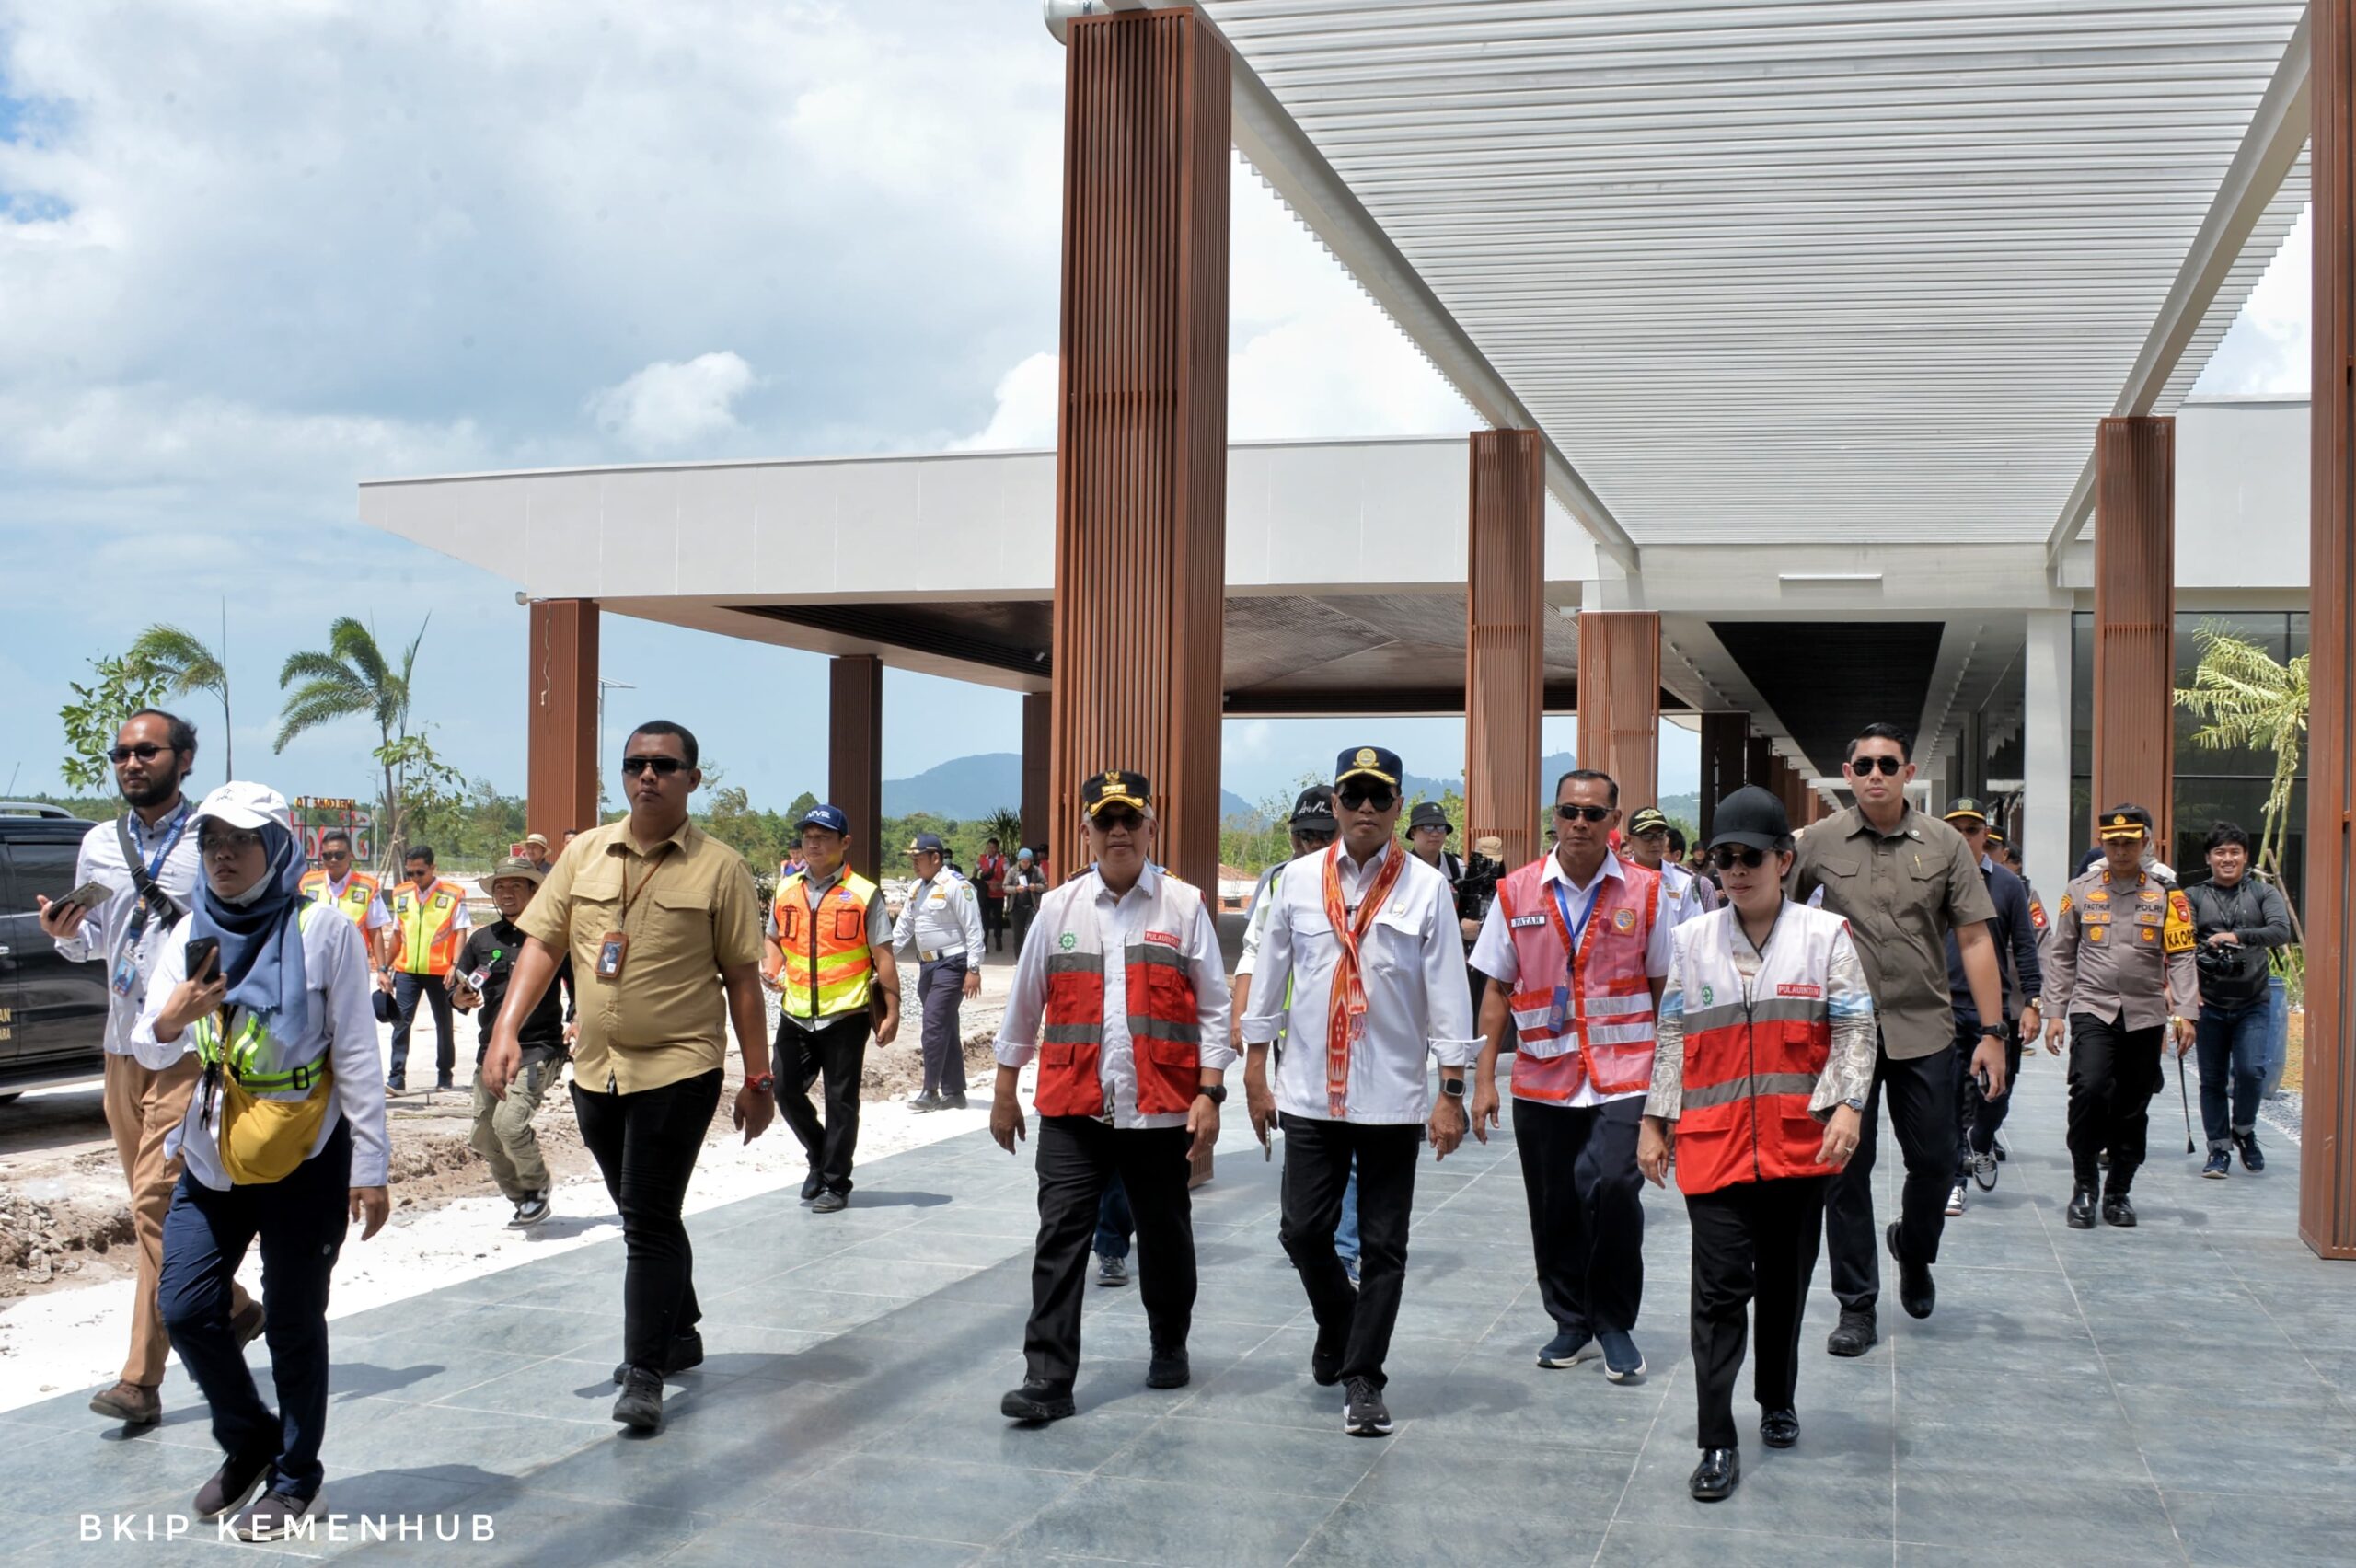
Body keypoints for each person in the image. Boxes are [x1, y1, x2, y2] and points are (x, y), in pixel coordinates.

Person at [480, 721, 774, 1432]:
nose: (648, 776)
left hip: (680, 1067)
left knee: (643, 1219)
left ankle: (645, 1372)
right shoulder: (584, 853)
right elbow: (542, 946)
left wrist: (759, 1078)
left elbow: (742, 979)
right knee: (649, 1213)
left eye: (665, 765)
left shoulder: (720, 868)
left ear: (692, 779)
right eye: (635, 763)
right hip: (596, 1071)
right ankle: (681, 1328)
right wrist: (505, 1029)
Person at [134, 782, 389, 1539]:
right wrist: (173, 1018)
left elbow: (356, 1054)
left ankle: (295, 1475)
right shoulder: (186, 933)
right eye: (211, 839)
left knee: (292, 1322)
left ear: (278, 849)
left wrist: (368, 1165)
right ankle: (250, 1437)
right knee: (182, 1307)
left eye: (241, 840)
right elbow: (153, 1043)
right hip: (213, 1148)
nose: (222, 854)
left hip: (305, 1154)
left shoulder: (324, 931)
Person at [1637, 786, 1877, 1504]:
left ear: (1784, 860)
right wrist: (1655, 1120)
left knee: (1782, 1287)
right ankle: (1716, 1439)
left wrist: (1849, 1106)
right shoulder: (1691, 941)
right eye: (1723, 858)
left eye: (1750, 857)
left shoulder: (1824, 936)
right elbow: (1674, 1034)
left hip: (1799, 1149)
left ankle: (1777, 1396)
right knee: (1716, 1297)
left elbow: (1856, 1027)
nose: (1736, 871)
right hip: (1713, 1149)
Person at [1242, 746, 1478, 1438]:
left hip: (1391, 1094)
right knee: (1303, 1230)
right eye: (1355, 796)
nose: (1367, 808)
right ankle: (1340, 1322)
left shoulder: (1425, 886)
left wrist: (1451, 1090)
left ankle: (1364, 1377)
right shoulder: (1297, 881)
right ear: (1337, 804)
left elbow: (1446, 991)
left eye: (1381, 797)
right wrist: (1255, 1071)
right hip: (1310, 1089)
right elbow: (1271, 971)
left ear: (1398, 807)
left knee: (1384, 1245)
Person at [37, 709, 260, 1430]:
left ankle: (142, 1378)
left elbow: (245, 930)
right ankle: (231, 1303)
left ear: (184, 759)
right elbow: (94, 943)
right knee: (153, 1208)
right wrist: (64, 936)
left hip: (190, 1046)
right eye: (122, 753)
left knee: (152, 1205)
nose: (132, 762)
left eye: (148, 751)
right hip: (121, 1044)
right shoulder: (101, 844)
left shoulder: (213, 840)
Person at [990, 768, 1230, 1423]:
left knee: (1165, 1234)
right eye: (1106, 821)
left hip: (1161, 1107)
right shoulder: (1056, 909)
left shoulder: (1183, 907)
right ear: (1086, 831)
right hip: (1073, 1105)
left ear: (1152, 827)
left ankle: (1169, 1344)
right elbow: (1023, 1006)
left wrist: (1211, 1091)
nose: (1118, 831)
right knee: (1061, 1240)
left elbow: (1215, 1006)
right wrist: (1005, 1089)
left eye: (1130, 820)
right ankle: (1047, 1380)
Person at [1788, 722, 2004, 1357]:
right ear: (1847, 773)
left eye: (1888, 764)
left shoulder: (1943, 844)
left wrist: (1992, 1032)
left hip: (1925, 1028)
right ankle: (1857, 1305)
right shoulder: (1819, 841)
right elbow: (1782, 918)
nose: (1876, 774)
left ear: (1908, 772)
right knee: (1843, 1170)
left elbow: (1973, 938)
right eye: (1864, 765)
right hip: (1841, 1032)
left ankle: (1914, 1248)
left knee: (1937, 1161)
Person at [1468, 767, 1672, 1383]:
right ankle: (1570, 1320)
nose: (1578, 823)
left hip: (1625, 1073)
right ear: (1552, 817)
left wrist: (1669, 1090)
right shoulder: (1516, 892)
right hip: (1543, 1077)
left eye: (1592, 813)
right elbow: (1497, 991)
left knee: (1612, 1187)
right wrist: (1483, 1080)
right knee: (1553, 1203)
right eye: (1567, 812)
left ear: (1614, 822)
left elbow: (1666, 992)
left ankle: (1613, 1323)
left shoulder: (1647, 893)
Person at [2040, 805, 2199, 1228]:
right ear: (2103, 845)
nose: (2122, 849)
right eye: (2114, 842)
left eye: (2130, 841)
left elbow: (2182, 955)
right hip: (2093, 1008)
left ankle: (2119, 1193)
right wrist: (2054, 1012)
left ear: (2145, 843)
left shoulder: (2166, 894)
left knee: (2132, 1107)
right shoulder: (2080, 890)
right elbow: (2061, 955)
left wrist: (2185, 1011)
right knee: (2089, 1091)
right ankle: (2085, 1185)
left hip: (2145, 1014)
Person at [1234, 786, 1359, 1284]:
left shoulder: (1372, 879)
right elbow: (1254, 952)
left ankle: (1346, 1247)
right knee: (1306, 1138)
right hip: (1297, 1036)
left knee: (1349, 1145)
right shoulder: (1280, 881)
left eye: (1320, 836)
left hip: (1357, 1033)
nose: (1310, 846)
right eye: (1301, 836)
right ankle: (1306, 1231)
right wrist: (1242, 1020)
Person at [762, 803, 900, 1213]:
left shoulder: (864, 894)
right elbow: (773, 939)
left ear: (845, 842)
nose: (813, 843)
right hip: (796, 1010)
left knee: (842, 1102)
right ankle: (819, 1155)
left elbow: (884, 955)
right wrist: (772, 968)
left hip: (847, 1013)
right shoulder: (786, 890)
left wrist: (892, 1009)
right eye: (808, 836)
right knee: (784, 1089)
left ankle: (835, 1183)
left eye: (823, 836)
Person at [1935, 799, 2043, 1216]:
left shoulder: (2009, 886)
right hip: (1943, 1005)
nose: (1964, 837)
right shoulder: (1931, 880)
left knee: (1996, 1096)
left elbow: (2026, 949)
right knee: (1949, 1100)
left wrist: (2032, 1003)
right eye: (1956, 829)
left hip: (1994, 1013)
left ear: (1986, 835)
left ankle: (1981, 1140)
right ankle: (1955, 1177)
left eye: (1972, 829)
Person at [454, 856, 571, 1228]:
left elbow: (581, 984)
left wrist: (579, 1019)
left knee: (509, 1125)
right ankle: (523, 1199)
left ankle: (537, 1188)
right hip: (491, 1051)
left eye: (515, 886)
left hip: (539, 1047)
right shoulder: (481, 940)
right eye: (500, 887)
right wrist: (459, 999)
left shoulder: (553, 935)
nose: (505, 893)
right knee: (483, 1136)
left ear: (534, 892)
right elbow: (459, 991)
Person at [2184, 821, 2292, 1176]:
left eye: (2234, 852)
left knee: (2251, 1070)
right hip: (2208, 1001)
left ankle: (2243, 1129)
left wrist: (2236, 936)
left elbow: (2280, 931)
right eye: (2220, 852)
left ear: (2245, 857)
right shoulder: (2194, 896)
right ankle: (2218, 1150)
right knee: (2212, 1079)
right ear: (2208, 858)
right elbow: (2181, 945)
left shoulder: (2264, 893)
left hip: (2253, 1001)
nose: (2227, 859)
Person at [892, 831, 984, 1111]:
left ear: (936, 857)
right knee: (945, 1026)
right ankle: (955, 1091)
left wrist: (974, 968)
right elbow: (904, 927)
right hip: (928, 966)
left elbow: (973, 927)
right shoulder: (917, 888)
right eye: (913, 859)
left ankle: (930, 1090)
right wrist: (882, 957)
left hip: (953, 964)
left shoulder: (957, 886)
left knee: (933, 1025)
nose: (915, 864)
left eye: (919, 858)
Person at [387, 844, 471, 1092]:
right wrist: (385, 967)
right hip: (407, 971)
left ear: (433, 868)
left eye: (420, 872)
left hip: (440, 972)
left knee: (443, 1023)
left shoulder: (452, 894)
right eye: (410, 873)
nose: (414, 878)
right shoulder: (401, 894)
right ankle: (396, 1078)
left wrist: (454, 966)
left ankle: (445, 1075)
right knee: (401, 1022)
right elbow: (396, 933)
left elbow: (460, 932)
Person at [297, 830, 392, 988]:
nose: (333, 860)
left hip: (352, 965)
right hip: (313, 964)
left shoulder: (367, 886)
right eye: (327, 855)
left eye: (339, 855)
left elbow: (375, 931)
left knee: (349, 1012)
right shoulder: (307, 883)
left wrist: (382, 970)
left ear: (350, 855)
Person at [1623, 807, 1706, 928]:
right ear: (1629, 840)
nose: (1655, 843)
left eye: (1660, 835)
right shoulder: (1618, 878)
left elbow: (1695, 930)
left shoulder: (1682, 881)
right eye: (1647, 836)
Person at [1005, 847, 1047, 953]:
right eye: (1023, 862)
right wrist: (1015, 889)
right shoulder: (1012, 871)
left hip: (1032, 907)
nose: (1025, 864)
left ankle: (1029, 957)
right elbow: (1005, 887)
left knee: (1030, 933)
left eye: (1028, 862)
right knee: (1018, 936)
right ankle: (1019, 959)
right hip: (1016, 908)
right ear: (1019, 861)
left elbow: (1045, 886)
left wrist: (1036, 887)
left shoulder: (1037, 870)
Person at [976, 836, 1010, 954]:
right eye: (989, 847)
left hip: (998, 894)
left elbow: (1007, 874)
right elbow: (975, 872)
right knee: (984, 920)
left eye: (993, 847)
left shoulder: (1003, 859)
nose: (991, 850)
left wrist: (1000, 884)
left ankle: (998, 939)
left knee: (998, 919)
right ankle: (984, 942)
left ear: (997, 848)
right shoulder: (981, 859)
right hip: (985, 894)